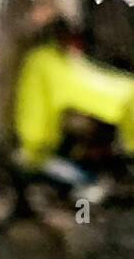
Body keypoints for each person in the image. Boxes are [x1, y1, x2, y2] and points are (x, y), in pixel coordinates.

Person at [14, 17, 134, 203]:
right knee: (88, 179)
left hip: (47, 131)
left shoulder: (44, 59)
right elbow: (86, 85)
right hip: (42, 139)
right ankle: (84, 212)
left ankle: (83, 208)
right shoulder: (50, 63)